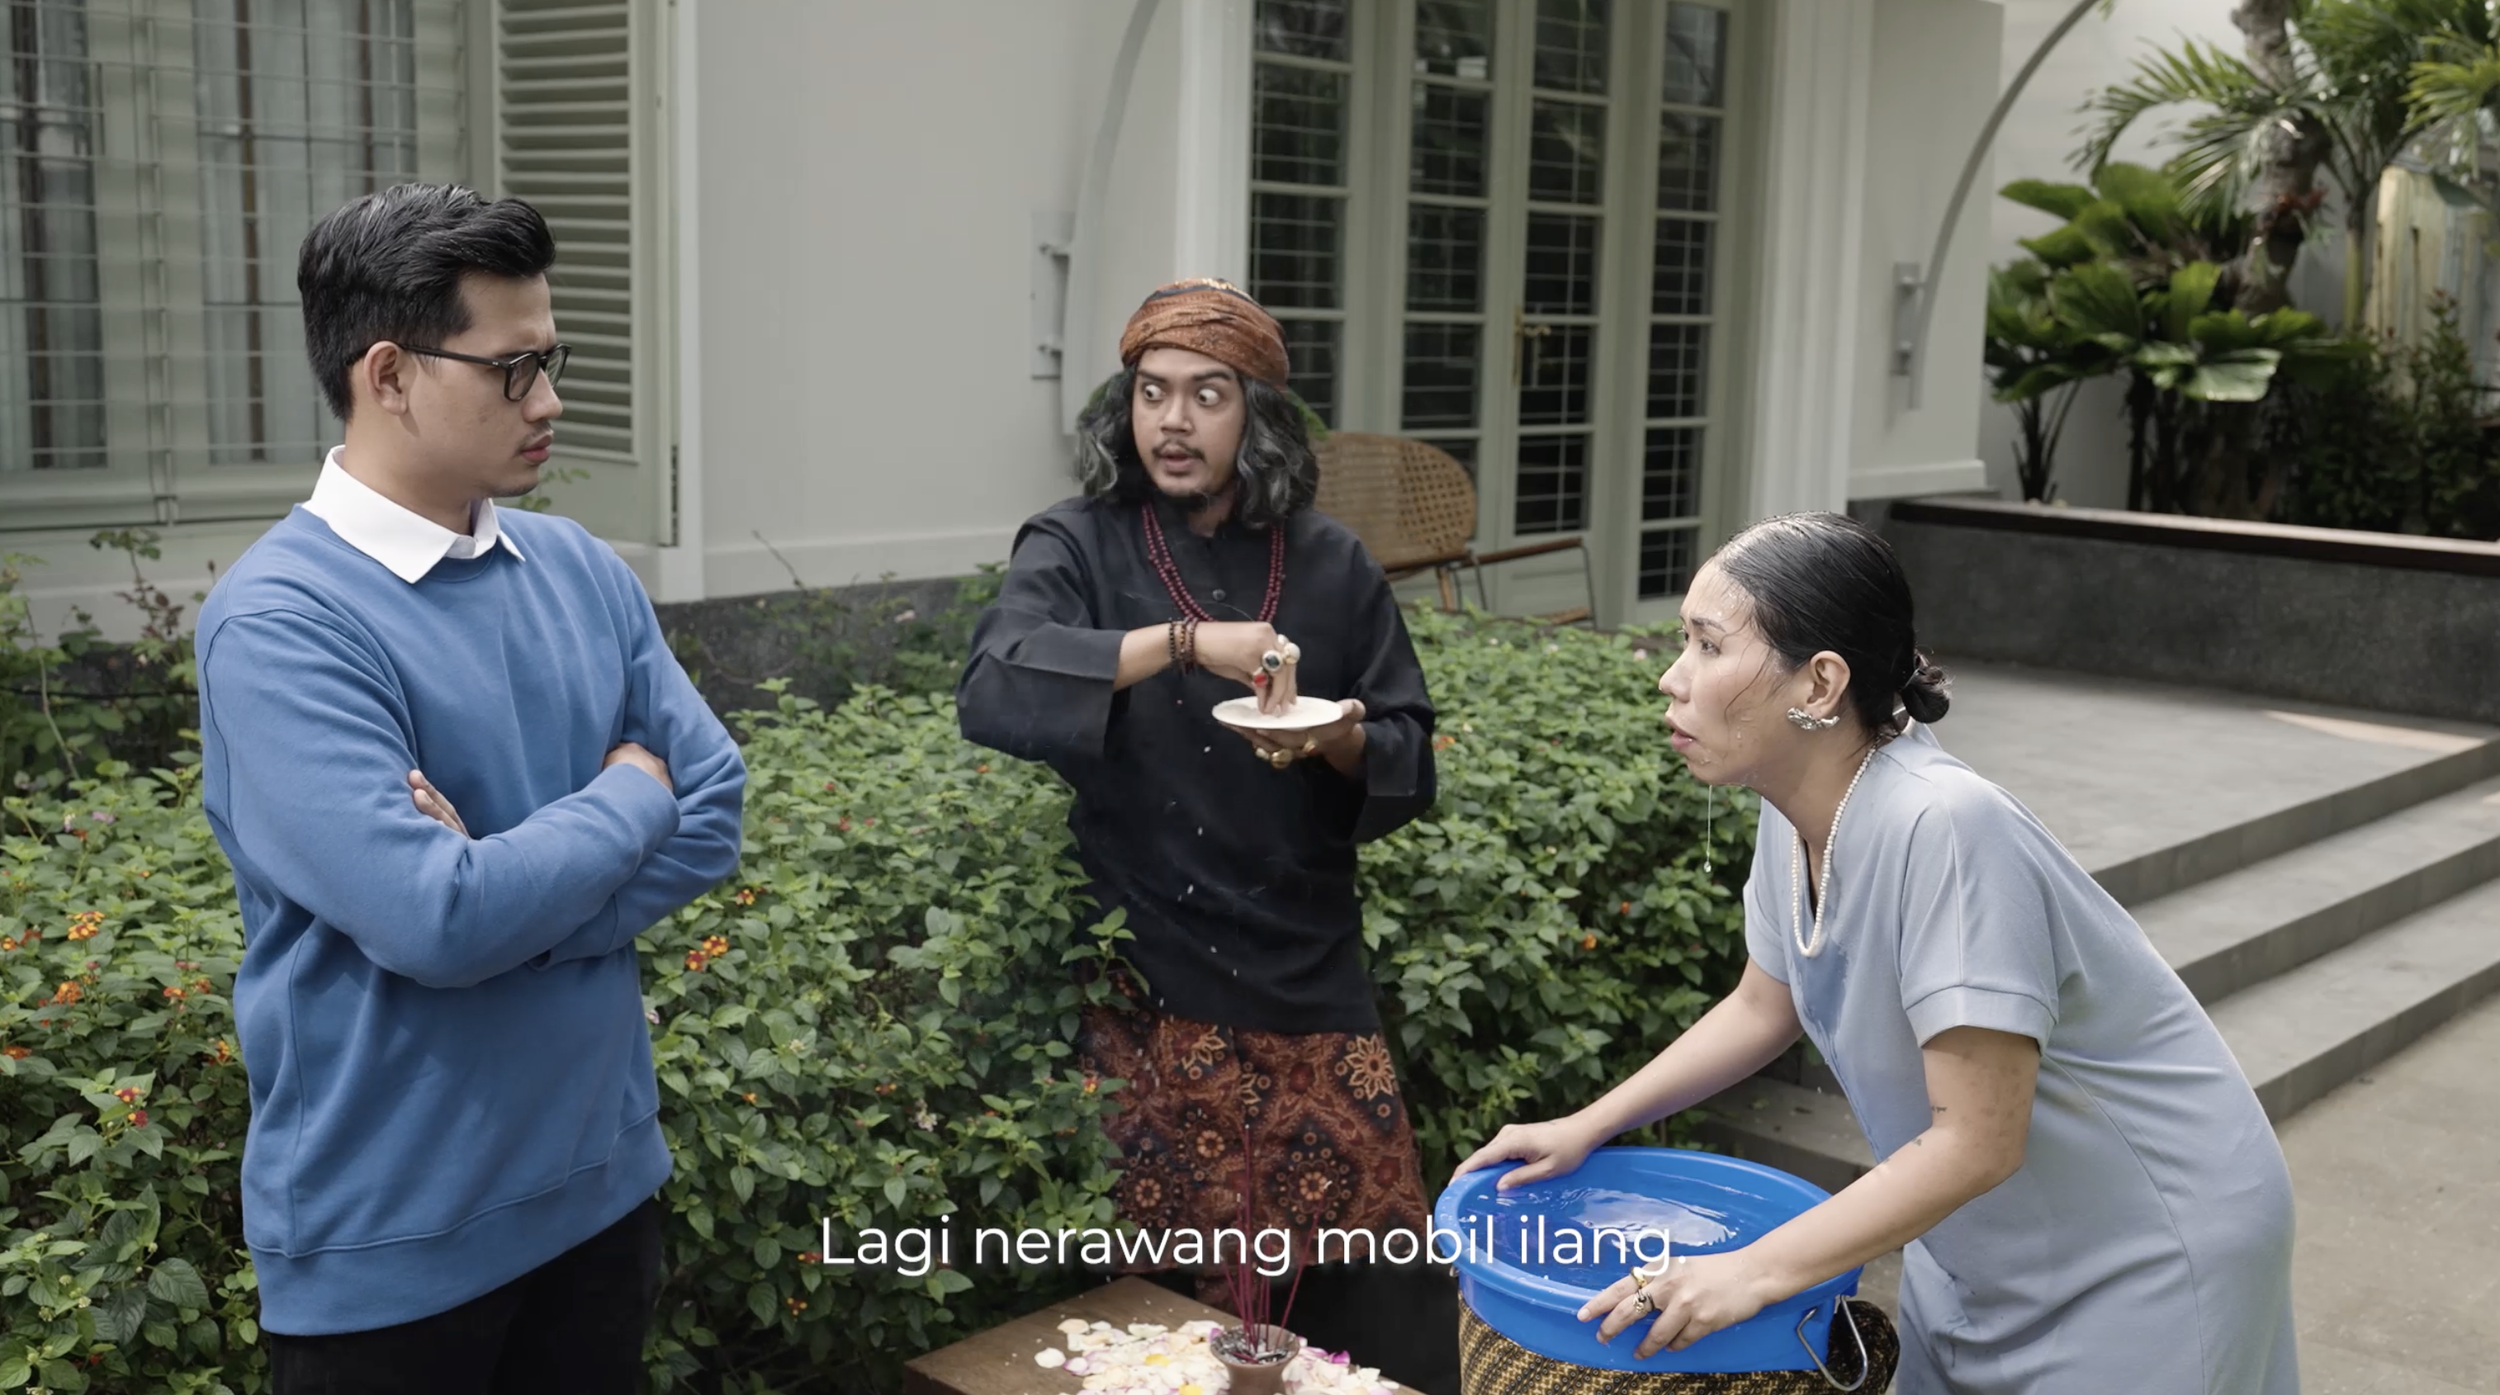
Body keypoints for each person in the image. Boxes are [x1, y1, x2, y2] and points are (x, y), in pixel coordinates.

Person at [1455, 513, 2297, 1394]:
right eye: (1682, 643)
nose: (1671, 677)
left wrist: (1754, 1269)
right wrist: (1588, 1124)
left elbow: (1977, 1141)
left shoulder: (1947, 824)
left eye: (1708, 646)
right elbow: (1761, 1005)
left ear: (1819, 684)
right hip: (1984, 1240)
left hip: (2146, 1244)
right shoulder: (1792, 807)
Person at [194, 183, 746, 1393]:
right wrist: (622, 796)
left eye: (552, 359)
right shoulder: (284, 622)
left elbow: (712, 805)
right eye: (511, 369)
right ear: (388, 374)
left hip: (602, 1186)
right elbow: (432, 916)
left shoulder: (574, 565)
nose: (550, 400)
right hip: (389, 1242)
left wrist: (512, 898)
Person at [957, 279, 1453, 1388]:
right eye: (1151, 393)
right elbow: (994, 683)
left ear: (1257, 418)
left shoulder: (1331, 563)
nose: (1173, 421)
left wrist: (1328, 740)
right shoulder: (1078, 544)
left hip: (1309, 966)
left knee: (1376, 1293)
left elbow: (1409, 752)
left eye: (1206, 396)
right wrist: (1179, 642)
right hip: (1147, 974)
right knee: (1166, 1323)